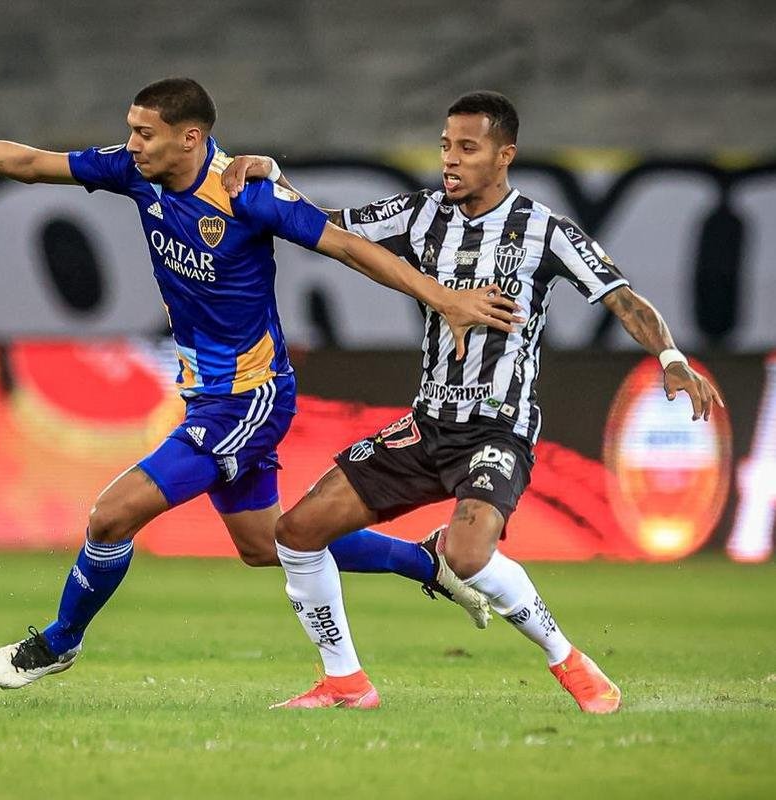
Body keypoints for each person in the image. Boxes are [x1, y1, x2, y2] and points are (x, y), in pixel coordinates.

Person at [0, 78, 520, 690]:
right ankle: (427, 562)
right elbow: (29, 162)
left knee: (111, 516)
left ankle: (57, 643)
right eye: (129, 131)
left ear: (189, 139)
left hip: (251, 395)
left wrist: (443, 298)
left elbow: (351, 248)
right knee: (266, 544)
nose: (131, 144)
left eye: (144, 133)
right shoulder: (135, 172)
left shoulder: (244, 193)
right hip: (206, 391)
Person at [221, 90, 724, 712]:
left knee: (466, 552)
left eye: (467, 148)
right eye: (444, 146)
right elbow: (329, 227)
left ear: (503, 155)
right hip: (426, 426)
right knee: (296, 531)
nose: (450, 161)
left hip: (497, 431)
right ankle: (345, 682)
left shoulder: (546, 231)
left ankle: (568, 660)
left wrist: (670, 357)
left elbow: (623, 298)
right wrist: (276, 176)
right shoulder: (420, 214)